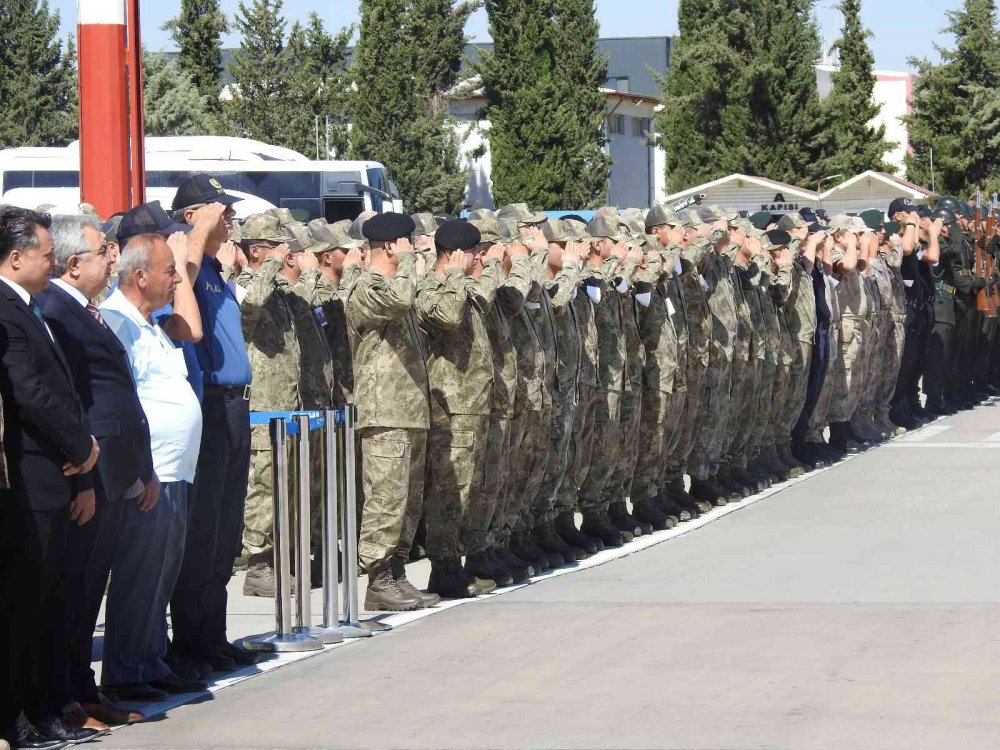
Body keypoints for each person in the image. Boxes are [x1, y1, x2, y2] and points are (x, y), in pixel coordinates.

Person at [36, 214, 155, 728]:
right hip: (91, 467)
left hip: (116, 466)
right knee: (75, 589)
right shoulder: (55, 310)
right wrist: (82, 474)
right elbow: (69, 398)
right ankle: (64, 695)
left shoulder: (88, 309)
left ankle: (82, 690)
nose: (113, 256)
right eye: (102, 249)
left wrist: (142, 466)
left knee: (90, 590)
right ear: (71, 262)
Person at [0, 206, 102, 749]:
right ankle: (14, 716)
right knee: (23, 603)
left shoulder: (29, 308)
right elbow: (29, 392)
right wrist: (81, 445)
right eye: (44, 254)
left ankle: (39, 710)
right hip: (30, 476)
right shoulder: (5, 309)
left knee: (44, 603)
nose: (54, 261)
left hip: (55, 475)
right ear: (15, 258)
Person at [98, 233, 206, 700]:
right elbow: (122, 403)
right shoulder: (117, 323)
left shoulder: (150, 323)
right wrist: (138, 470)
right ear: (140, 276)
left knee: (162, 574)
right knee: (139, 574)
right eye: (169, 271)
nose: (176, 278)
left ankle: (149, 660)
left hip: (175, 470)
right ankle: (125, 672)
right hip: (151, 474)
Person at [168, 173, 259, 671]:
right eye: (220, 210)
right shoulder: (185, 260)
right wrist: (199, 236)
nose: (230, 219)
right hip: (208, 403)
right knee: (202, 529)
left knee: (225, 530)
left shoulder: (214, 271)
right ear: (191, 216)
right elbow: (180, 273)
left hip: (234, 405)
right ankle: (190, 640)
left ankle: (213, 633)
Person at [347, 212, 431, 611]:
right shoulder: (368, 287)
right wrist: (411, 263)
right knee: (385, 498)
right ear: (391, 247)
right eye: (408, 244)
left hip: (410, 409)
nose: (414, 250)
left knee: (406, 499)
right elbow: (401, 299)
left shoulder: (399, 282)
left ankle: (396, 571)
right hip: (384, 411)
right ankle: (378, 578)